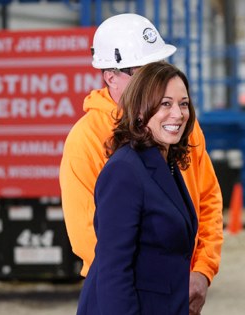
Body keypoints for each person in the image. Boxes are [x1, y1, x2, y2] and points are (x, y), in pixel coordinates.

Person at [60, 13, 223, 315]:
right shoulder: (87, 142)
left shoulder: (177, 127)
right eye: (144, 72)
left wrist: (202, 270)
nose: (157, 83)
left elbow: (208, 199)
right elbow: (100, 250)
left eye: (158, 68)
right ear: (111, 77)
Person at [77, 61, 197, 314]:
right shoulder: (125, 170)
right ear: (141, 109)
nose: (178, 114)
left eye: (183, 103)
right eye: (165, 103)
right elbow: (113, 270)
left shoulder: (166, 163)